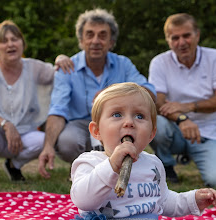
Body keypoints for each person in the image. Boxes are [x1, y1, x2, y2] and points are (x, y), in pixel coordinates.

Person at [71, 82, 216, 219]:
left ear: (151, 134)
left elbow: (164, 201)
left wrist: (192, 200)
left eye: (139, 116)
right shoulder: (90, 162)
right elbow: (83, 201)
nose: (129, 122)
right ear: (96, 131)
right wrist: (111, 166)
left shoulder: (153, 164)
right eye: (117, 114)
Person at [38, 8, 156, 179]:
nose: (95, 41)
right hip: (80, 124)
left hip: (116, 121)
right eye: (89, 34)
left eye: (102, 35)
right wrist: (48, 146)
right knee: (67, 142)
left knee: (120, 124)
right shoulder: (68, 67)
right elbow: (58, 110)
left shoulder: (123, 64)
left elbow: (150, 93)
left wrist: (114, 94)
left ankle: (116, 169)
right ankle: (85, 170)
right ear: (81, 40)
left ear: (111, 41)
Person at [0, 20, 57, 183]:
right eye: (4, 41)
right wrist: (6, 124)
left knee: (45, 140)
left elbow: (57, 73)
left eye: (15, 39)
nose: (10, 44)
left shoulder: (34, 67)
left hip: (22, 135)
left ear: (23, 43)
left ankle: (14, 165)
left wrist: (61, 58)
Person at [148, 13, 216, 188]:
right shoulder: (159, 62)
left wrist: (188, 107)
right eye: (175, 37)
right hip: (175, 129)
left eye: (186, 35)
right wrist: (182, 119)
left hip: (207, 133)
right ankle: (166, 165)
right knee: (154, 123)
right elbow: (157, 104)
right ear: (168, 40)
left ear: (197, 35)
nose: (182, 42)